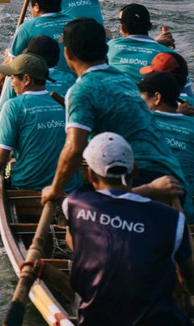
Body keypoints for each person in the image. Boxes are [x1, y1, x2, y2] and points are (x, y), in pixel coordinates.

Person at [41, 18, 186, 207]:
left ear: (67, 53)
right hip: (173, 177)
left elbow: (74, 149)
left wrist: (55, 189)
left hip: (139, 179)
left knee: (77, 208)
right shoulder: (124, 81)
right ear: (106, 49)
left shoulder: (81, 90)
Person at [61, 132, 194, 326]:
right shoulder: (173, 219)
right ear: (135, 171)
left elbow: (74, 243)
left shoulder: (75, 203)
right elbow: (189, 281)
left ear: (89, 174)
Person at [0, 54, 71, 202]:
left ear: (26, 79)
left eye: (13, 78)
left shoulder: (13, 106)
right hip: (69, 185)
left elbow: (0, 157)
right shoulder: (64, 102)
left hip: (29, 186)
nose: (11, 84)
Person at [139, 71, 194, 217]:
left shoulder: (136, 122)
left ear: (157, 98)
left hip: (140, 213)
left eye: (142, 98)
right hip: (185, 214)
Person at [107, 3, 175, 81]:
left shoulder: (109, 46)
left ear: (122, 28)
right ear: (150, 26)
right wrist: (158, 45)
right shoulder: (170, 56)